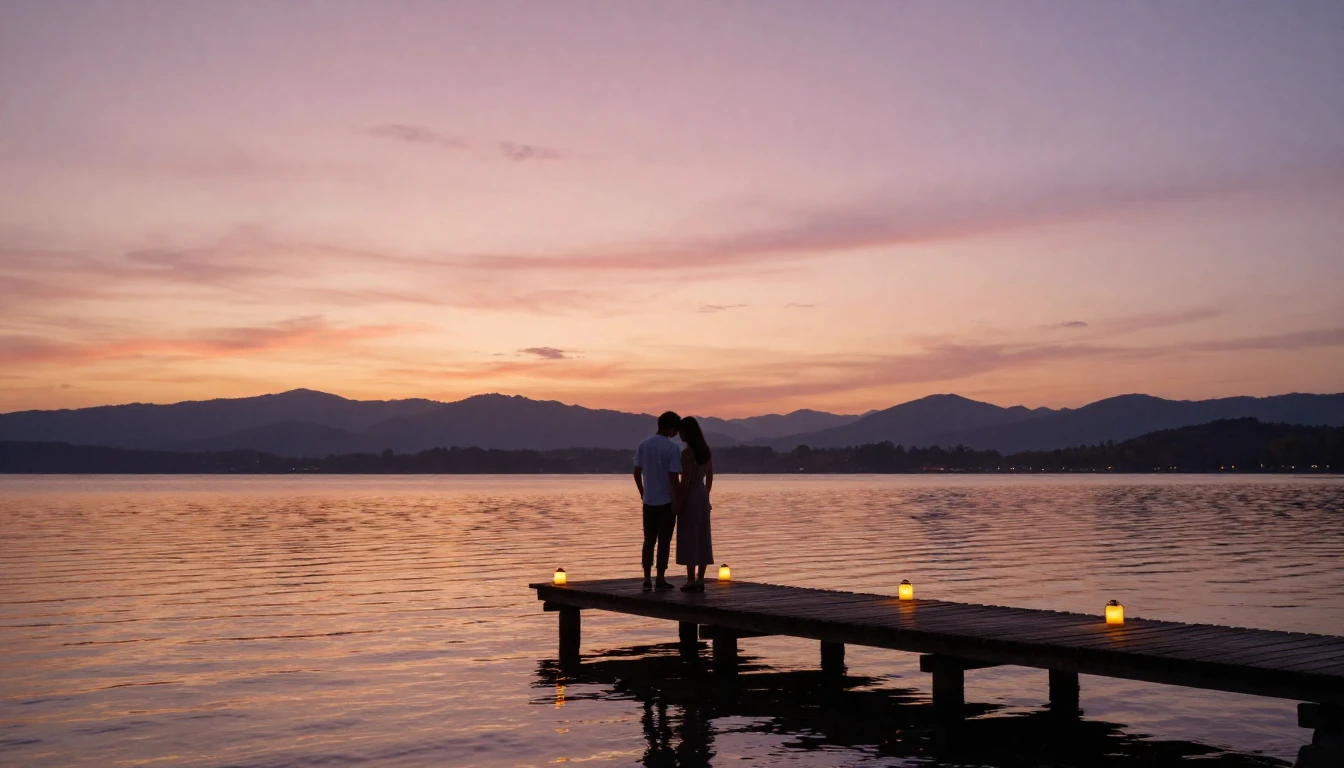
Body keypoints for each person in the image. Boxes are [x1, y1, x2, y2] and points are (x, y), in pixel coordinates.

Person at [633, 411, 683, 591]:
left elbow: (636, 471)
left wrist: (642, 492)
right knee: (664, 540)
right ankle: (660, 577)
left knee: (649, 540)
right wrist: (677, 500)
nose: (677, 433)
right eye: (676, 429)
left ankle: (646, 576)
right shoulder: (671, 448)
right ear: (670, 428)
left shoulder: (644, 444)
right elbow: (673, 476)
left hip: (649, 501)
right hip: (666, 502)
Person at [674, 416, 714, 591]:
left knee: (689, 535)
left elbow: (686, 480)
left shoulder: (687, 454)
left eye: (681, 431)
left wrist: (678, 502)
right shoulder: (706, 451)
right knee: (702, 534)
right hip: (702, 494)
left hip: (691, 494)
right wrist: (707, 494)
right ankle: (701, 579)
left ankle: (691, 579)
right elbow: (710, 476)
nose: (679, 434)